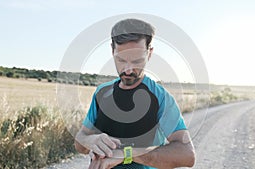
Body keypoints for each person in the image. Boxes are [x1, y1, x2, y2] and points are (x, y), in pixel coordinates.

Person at [75, 18, 195, 169]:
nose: (128, 69)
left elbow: (187, 155)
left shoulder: (160, 97)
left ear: (149, 53)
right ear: (112, 50)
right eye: (121, 60)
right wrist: (90, 141)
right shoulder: (102, 92)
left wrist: (127, 154)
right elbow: (81, 141)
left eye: (137, 61)